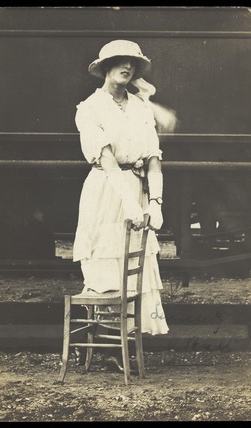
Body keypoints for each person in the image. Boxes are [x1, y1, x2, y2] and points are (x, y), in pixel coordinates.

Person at [73, 40, 169, 347]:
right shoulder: (89, 109)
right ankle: (104, 341)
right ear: (104, 68)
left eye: (132, 62)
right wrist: (128, 202)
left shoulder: (141, 107)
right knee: (106, 260)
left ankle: (127, 342)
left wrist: (155, 202)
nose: (127, 66)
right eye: (119, 61)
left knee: (135, 263)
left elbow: (153, 157)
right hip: (105, 192)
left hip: (137, 188)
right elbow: (108, 162)